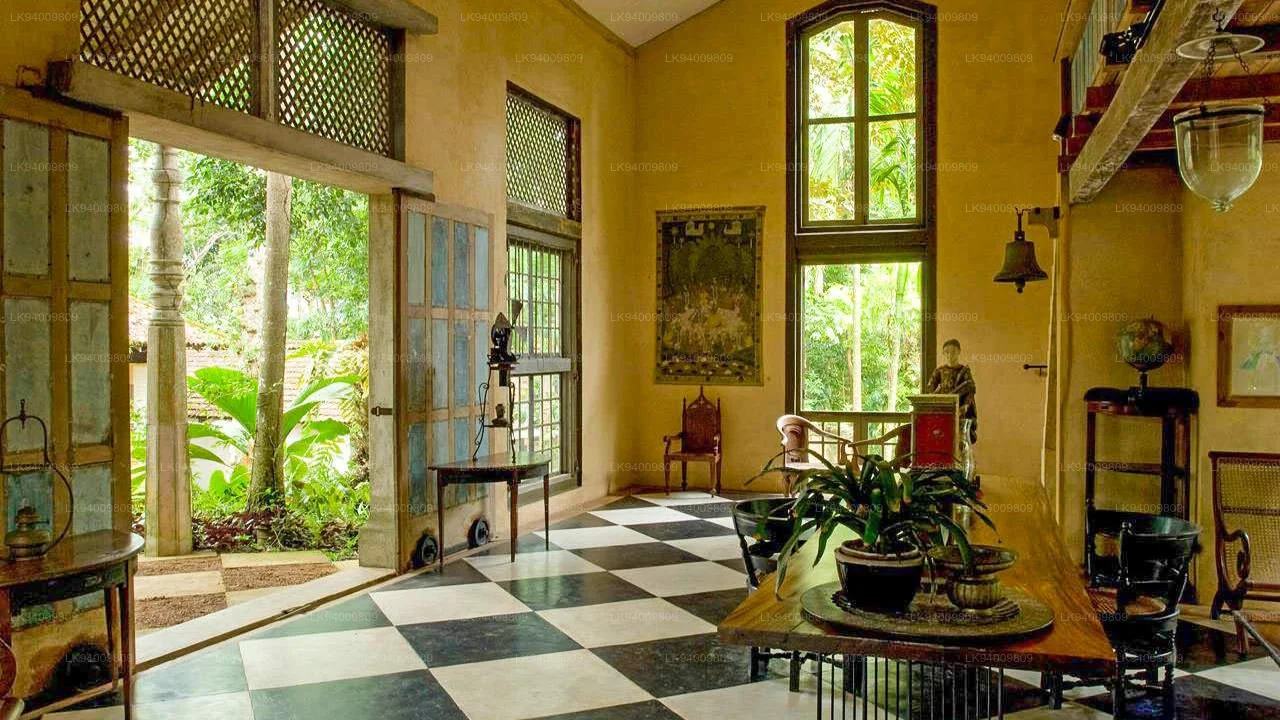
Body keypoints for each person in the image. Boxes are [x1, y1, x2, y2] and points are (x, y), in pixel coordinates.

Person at [927, 338, 977, 444]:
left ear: (959, 352)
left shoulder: (964, 371)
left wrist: (966, 406)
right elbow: (930, 387)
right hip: (943, 408)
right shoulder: (939, 371)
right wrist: (936, 395)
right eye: (947, 352)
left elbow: (970, 390)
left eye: (953, 352)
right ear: (943, 354)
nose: (950, 355)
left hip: (960, 409)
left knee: (960, 439)